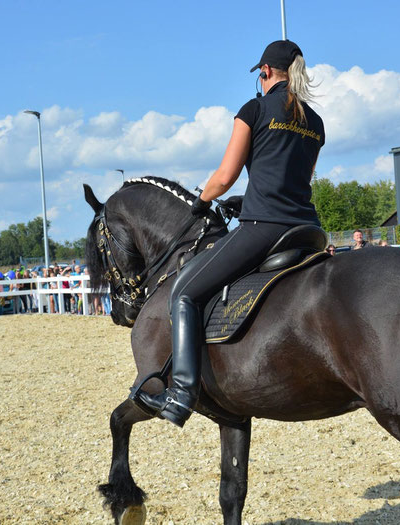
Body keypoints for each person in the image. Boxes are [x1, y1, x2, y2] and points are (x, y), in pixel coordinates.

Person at [130, 40, 325, 427]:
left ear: (265, 72)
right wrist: (248, 198)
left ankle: (182, 392)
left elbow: (224, 176)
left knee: (184, 291)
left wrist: (202, 202)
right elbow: (292, 180)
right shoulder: (315, 122)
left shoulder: (254, 109)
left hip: (266, 228)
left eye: (260, 73)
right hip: (308, 230)